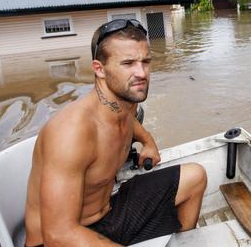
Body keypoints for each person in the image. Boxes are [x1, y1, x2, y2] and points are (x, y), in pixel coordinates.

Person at [24, 19, 207, 246]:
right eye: (128, 63)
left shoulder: (123, 105)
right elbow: (57, 235)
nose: (141, 73)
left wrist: (148, 142)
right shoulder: (71, 132)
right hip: (62, 238)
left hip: (109, 214)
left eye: (145, 61)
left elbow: (130, 121)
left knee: (195, 177)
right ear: (99, 69)